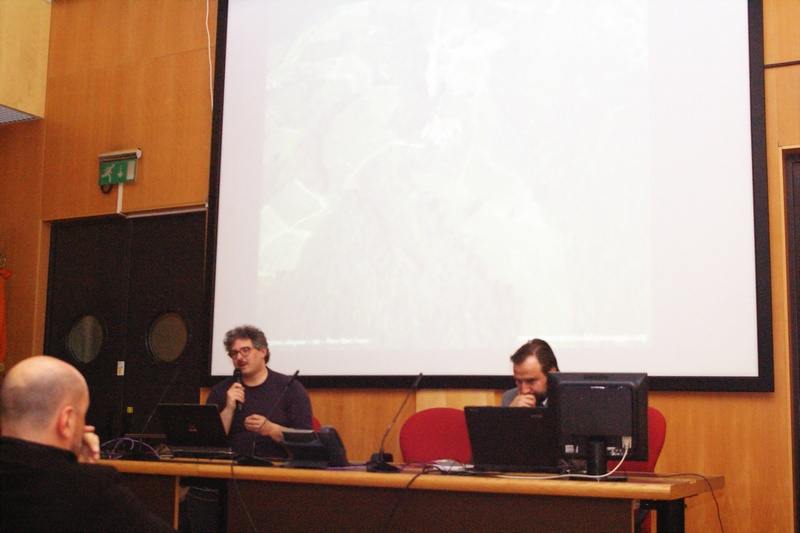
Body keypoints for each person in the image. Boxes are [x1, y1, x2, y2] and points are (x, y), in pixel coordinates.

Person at [0, 355, 174, 532]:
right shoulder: (89, 490)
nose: (85, 428)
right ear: (66, 421)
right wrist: (83, 472)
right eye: (82, 418)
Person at [205, 324, 313, 458]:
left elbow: (306, 440)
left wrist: (271, 429)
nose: (239, 358)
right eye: (234, 353)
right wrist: (228, 409)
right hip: (230, 469)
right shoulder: (221, 391)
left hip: (276, 469)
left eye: (245, 350)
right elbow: (208, 443)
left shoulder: (290, 388)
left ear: (263, 352)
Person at [501, 339, 559, 408]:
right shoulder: (510, 398)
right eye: (519, 381)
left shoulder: (570, 399)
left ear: (552, 374)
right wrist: (511, 414)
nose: (524, 390)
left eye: (531, 381)